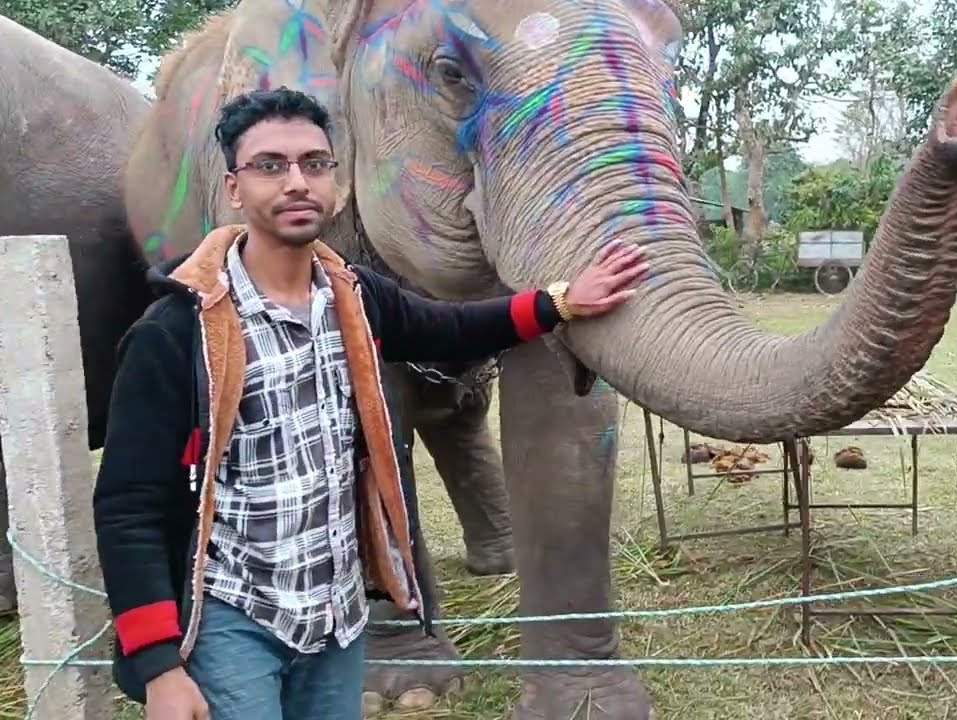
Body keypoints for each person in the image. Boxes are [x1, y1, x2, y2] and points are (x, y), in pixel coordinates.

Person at [91, 87, 650, 720]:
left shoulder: (355, 299)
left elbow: (451, 329)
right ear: (234, 189)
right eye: (270, 165)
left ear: (335, 181)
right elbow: (127, 507)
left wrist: (561, 301)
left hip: (338, 616)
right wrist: (160, 668)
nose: (296, 182)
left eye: (314, 164)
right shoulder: (175, 332)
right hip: (232, 618)